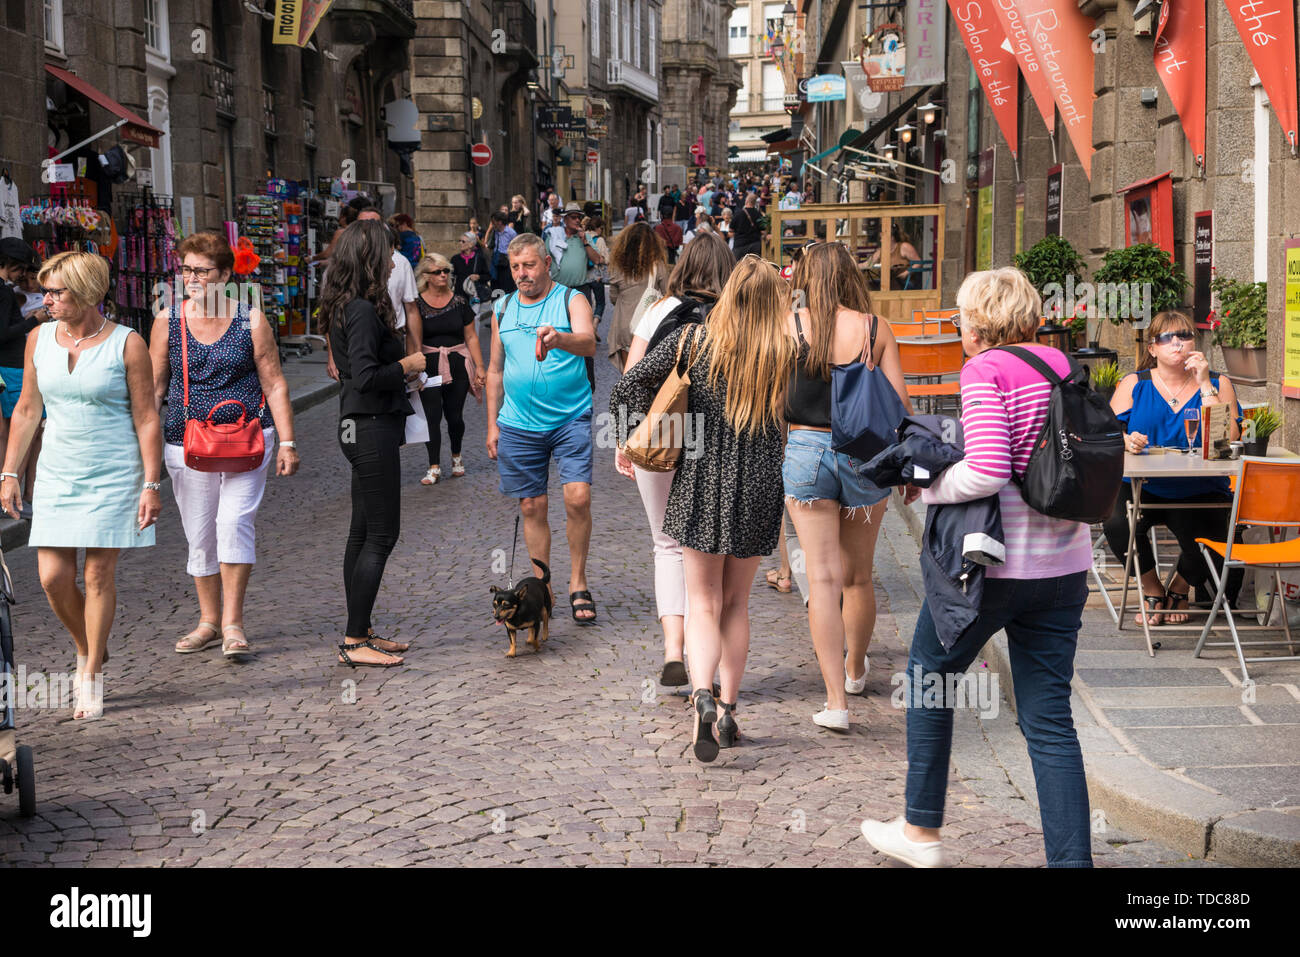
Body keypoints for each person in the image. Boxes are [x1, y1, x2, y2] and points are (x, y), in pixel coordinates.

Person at [860, 267, 1094, 868]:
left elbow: (988, 469)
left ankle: (920, 832)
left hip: (993, 567)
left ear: (981, 320)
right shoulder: (1061, 365)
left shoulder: (986, 369)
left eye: (963, 315)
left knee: (927, 679)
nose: (960, 325)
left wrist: (930, 490)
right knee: (1049, 722)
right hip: (1064, 567)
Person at [610, 256, 795, 761]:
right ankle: (730, 707)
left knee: (703, 601)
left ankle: (701, 699)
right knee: (737, 603)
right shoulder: (783, 354)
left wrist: (633, 438)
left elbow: (628, 385)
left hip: (701, 481)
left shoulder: (692, 342)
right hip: (759, 485)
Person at [0, 251, 161, 720]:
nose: (45, 299)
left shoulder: (127, 344)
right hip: (57, 470)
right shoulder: (37, 340)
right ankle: (90, 645)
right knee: (51, 579)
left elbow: (147, 416)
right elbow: (28, 408)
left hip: (114, 470)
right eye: (44, 290)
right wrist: (9, 472)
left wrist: (151, 483)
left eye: (56, 292)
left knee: (96, 576)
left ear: (88, 292)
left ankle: (89, 669)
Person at [148, 231, 300, 658]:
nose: (191, 278)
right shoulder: (167, 320)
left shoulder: (250, 320)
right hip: (186, 442)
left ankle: (233, 623)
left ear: (226, 275)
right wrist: (139, 442)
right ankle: (207, 622)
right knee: (200, 533)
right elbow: (156, 387)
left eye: (202, 270)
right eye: (186, 269)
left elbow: (274, 383)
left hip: (248, 439)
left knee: (233, 523)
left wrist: (287, 441)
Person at [782, 243, 912, 731]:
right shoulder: (875, 328)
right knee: (858, 576)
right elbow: (900, 403)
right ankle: (856, 668)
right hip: (865, 456)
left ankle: (836, 702)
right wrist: (908, 471)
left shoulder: (791, 326)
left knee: (822, 579)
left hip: (806, 451)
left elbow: (776, 399)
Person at [614, 232, 734, 686]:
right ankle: (715, 669)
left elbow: (632, 377)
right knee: (712, 550)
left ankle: (673, 651)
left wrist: (626, 440)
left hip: (663, 434)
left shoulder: (659, 310)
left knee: (666, 544)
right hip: (718, 441)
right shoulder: (736, 315)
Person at [322, 220, 433, 669]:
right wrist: (408, 363)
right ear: (368, 256)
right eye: (387, 253)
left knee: (362, 532)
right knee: (382, 534)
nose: (392, 261)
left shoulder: (342, 306)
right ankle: (354, 640)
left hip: (356, 424)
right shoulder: (363, 310)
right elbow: (366, 377)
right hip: (370, 425)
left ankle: (361, 629)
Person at [487, 232, 599, 624]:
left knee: (577, 498)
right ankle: (542, 587)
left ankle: (578, 580)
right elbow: (495, 371)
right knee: (532, 505)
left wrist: (560, 338)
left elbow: (589, 343)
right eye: (515, 267)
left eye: (529, 265)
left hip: (570, 416)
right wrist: (492, 425)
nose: (522, 274)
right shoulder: (502, 308)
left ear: (547, 264)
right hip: (518, 423)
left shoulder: (571, 299)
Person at [1103, 310, 1241, 625]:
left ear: (1196, 342)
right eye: (1166, 338)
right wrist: (1126, 440)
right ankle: (1152, 588)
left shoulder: (1219, 383)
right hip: (1143, 484)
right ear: (1152, 348)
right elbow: (1105, 432)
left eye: (1184, 336)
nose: (1176, 343)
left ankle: (1179, 586)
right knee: (1114, 520)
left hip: (1198, 486)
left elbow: (1223, 441)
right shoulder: (1135, 384)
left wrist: (1204, 382)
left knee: (1217, 529)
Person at [413, 253, 486, 485]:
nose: (443, 275)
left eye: (446, 271)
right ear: (426, 276)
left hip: (457, 364)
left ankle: (456, 456)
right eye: (437, 272)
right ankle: (433, 465)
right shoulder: (416, 304)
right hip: (428, 365)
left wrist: (480, 367)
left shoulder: (460, 302)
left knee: (454, 416)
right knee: (431, 417)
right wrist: (411, 363)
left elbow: (471, 336)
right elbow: (411, 337)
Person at [0, 238, 47, 518]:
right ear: (10, 265)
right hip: (12, 366)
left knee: (9, 433)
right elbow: (4, 333)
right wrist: (34, 320)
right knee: (24, 432)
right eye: (21, 270)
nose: (22, 277)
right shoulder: (4, 293)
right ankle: (14, 496)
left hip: (8, 366)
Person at [607, 222, 668, 371]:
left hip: (625, 328)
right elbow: (668, 294)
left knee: (628, 378)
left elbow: (613, 298)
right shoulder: (658, 266)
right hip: (649, 329)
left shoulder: (618, 267)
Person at [580, 215, 610, 325]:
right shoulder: (599, 239)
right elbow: (605, 259)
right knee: (600, 302)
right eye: (601, 228)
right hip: (597, 276)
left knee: (587, 303)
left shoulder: (582, 237)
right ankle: (594, 326)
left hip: (584, 276)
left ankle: (587, 325)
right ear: (598, 228)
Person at [452, 230, 491, 307]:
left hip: (474, 295)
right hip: (460, 295)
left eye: (463, 241)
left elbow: (488, 276)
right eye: (459, 241)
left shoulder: (480, 258)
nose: (460, 243)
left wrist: (478, 277)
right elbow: (451, 277)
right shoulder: (455, 259)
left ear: (471, 244)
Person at [486, 210, 518, 294]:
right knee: (495, 285)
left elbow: (517, 247)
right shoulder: (495, 232)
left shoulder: (511, 232)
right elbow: (489, 244)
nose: (492, 224)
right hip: (496, 261)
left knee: (506, 286)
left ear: (500, 222)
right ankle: (496, 304)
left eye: (493, 222)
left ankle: (507, 304)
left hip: (506, 262)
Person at [731, 192, 763, 260]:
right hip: (755, 245)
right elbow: (763, 231)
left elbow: (731, 230)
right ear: (754, 203)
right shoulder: (758, 214)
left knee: (738, 267)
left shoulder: (738, 214)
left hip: (740, 245)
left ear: (746, 201)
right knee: (754, 267)